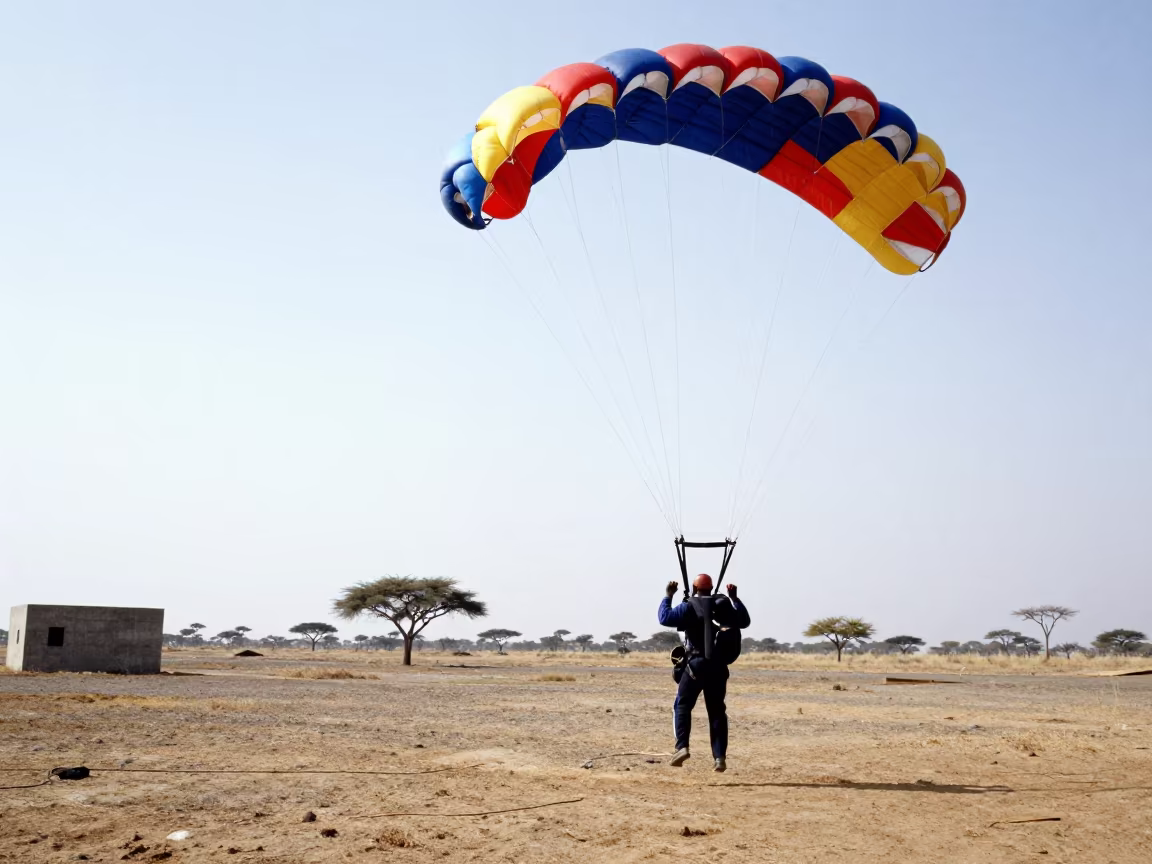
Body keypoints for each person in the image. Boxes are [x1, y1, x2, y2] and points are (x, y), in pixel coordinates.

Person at [657, 573, 750, 772]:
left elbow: (664, 618)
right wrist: (734, 598)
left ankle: (682, 747)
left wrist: (668, 595)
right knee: (716, 711)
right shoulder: (723, 604)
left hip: (695, 665)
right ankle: (719, 757)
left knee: (682, 705)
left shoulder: (688, 606)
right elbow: (744, 621)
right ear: (711, 587)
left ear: (694, 588)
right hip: (718, 667)